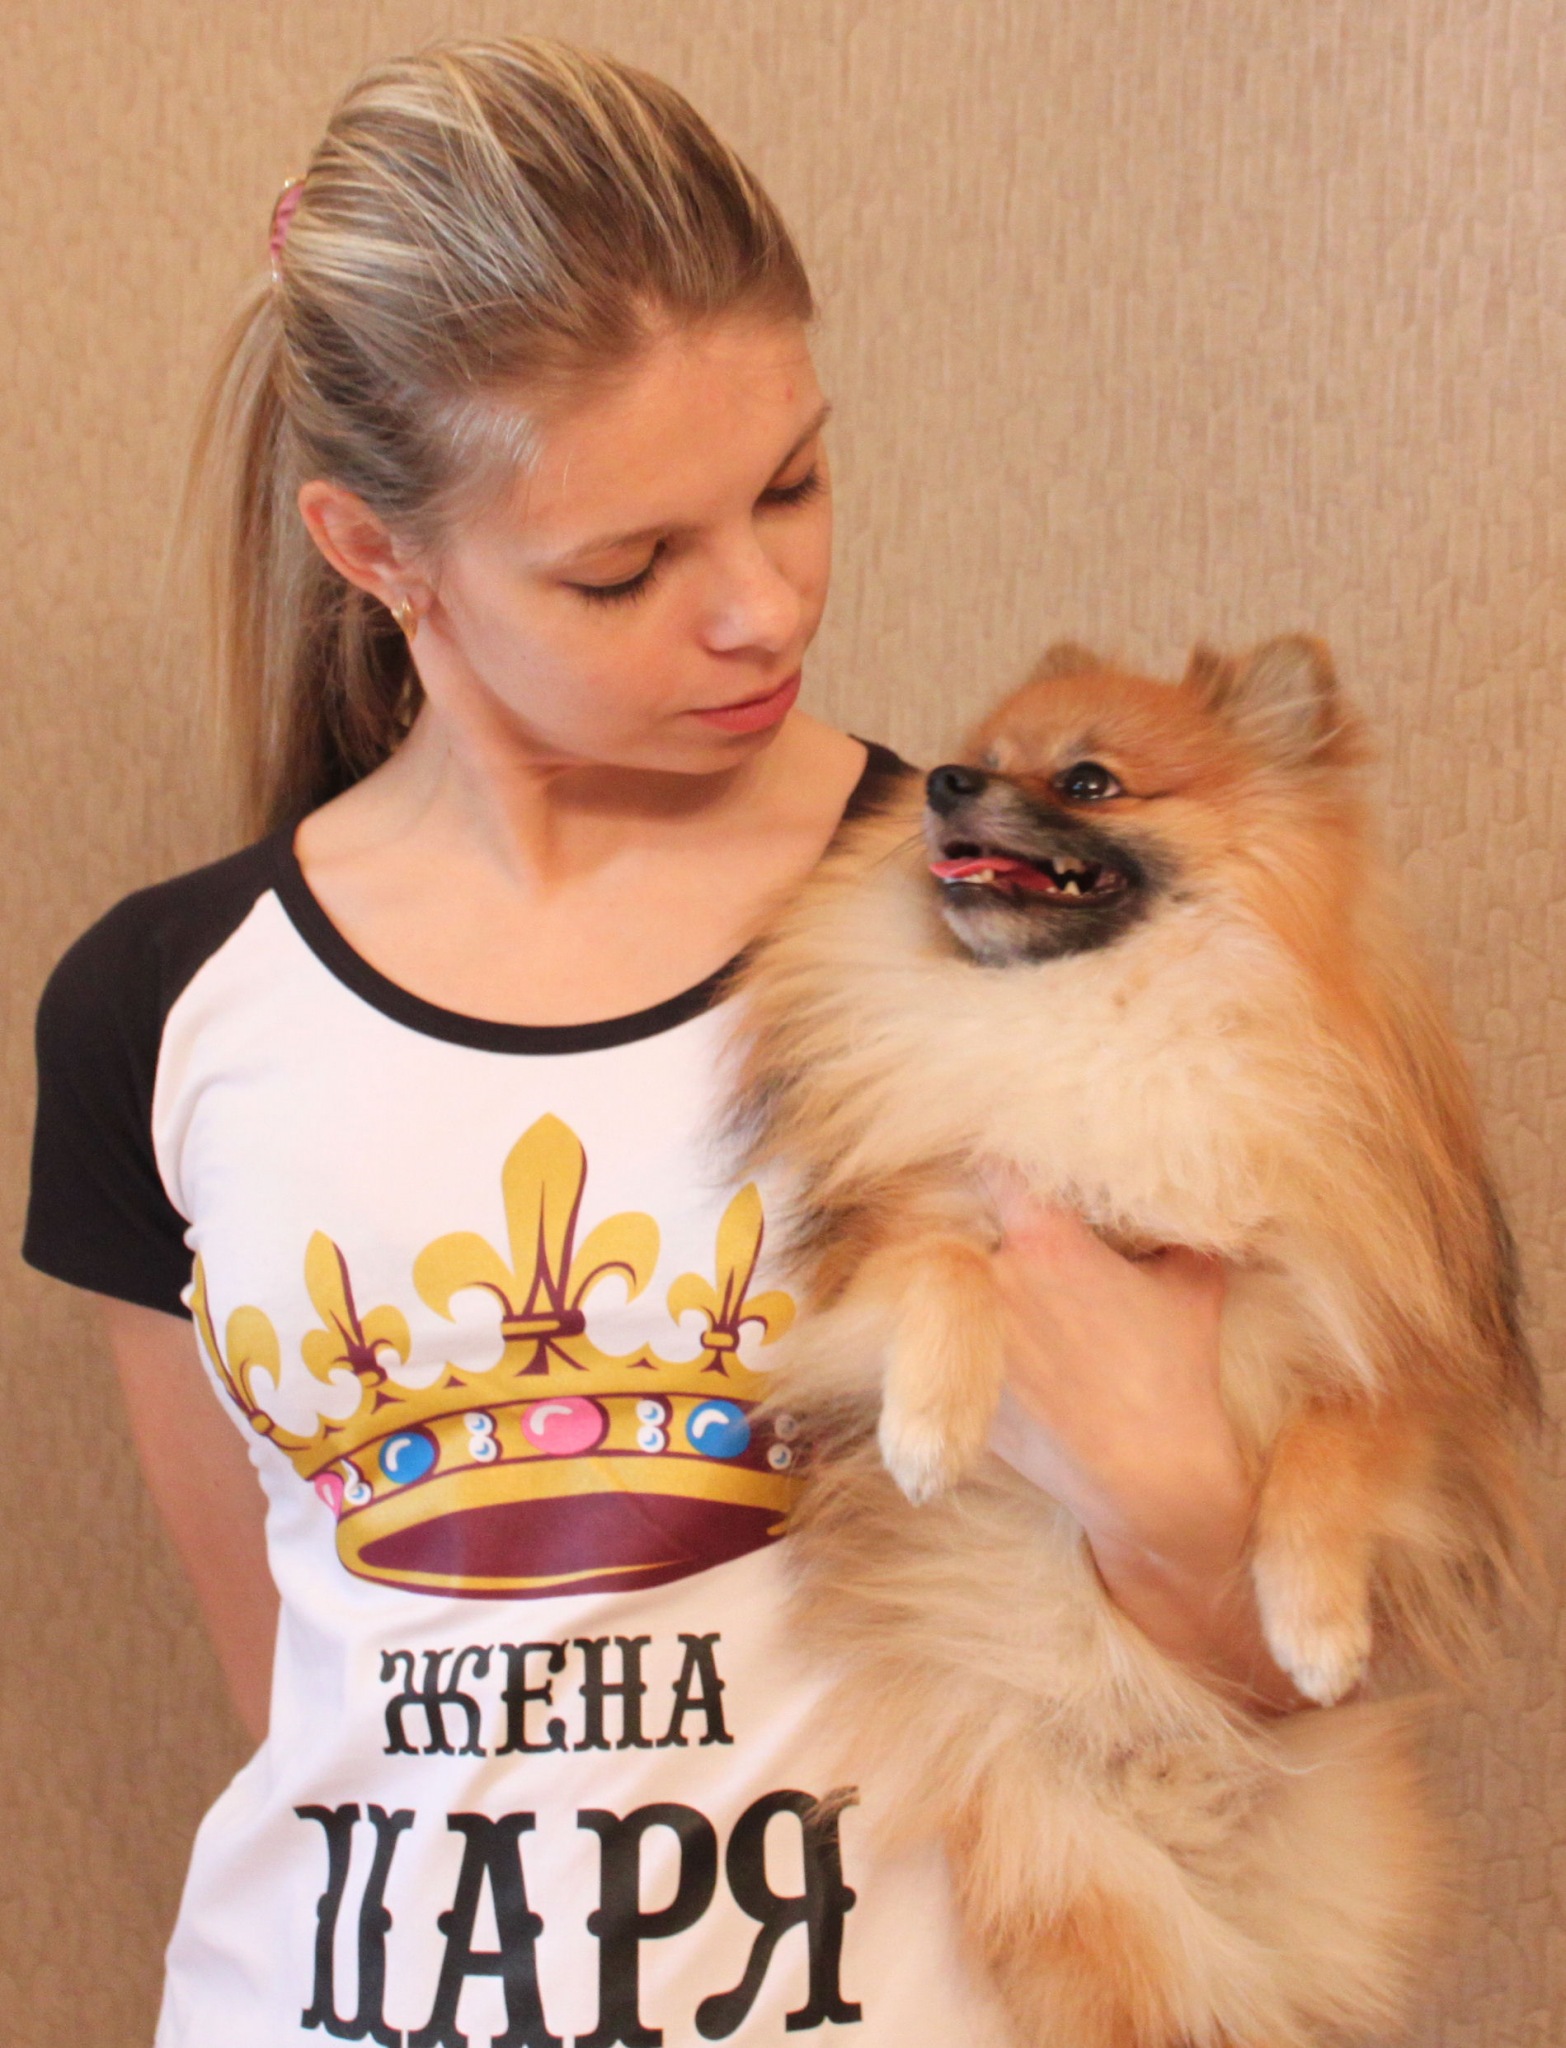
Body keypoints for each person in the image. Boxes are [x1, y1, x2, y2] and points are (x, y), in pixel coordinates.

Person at [23, 36, 1299, 2046]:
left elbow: (1252, 1717)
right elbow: (298, 1698)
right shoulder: (159, 1010)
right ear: (374, 551)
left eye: (793, 483)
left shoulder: (1009, 930)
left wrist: (1181, 1516)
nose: (764, 609)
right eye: (626, 567)